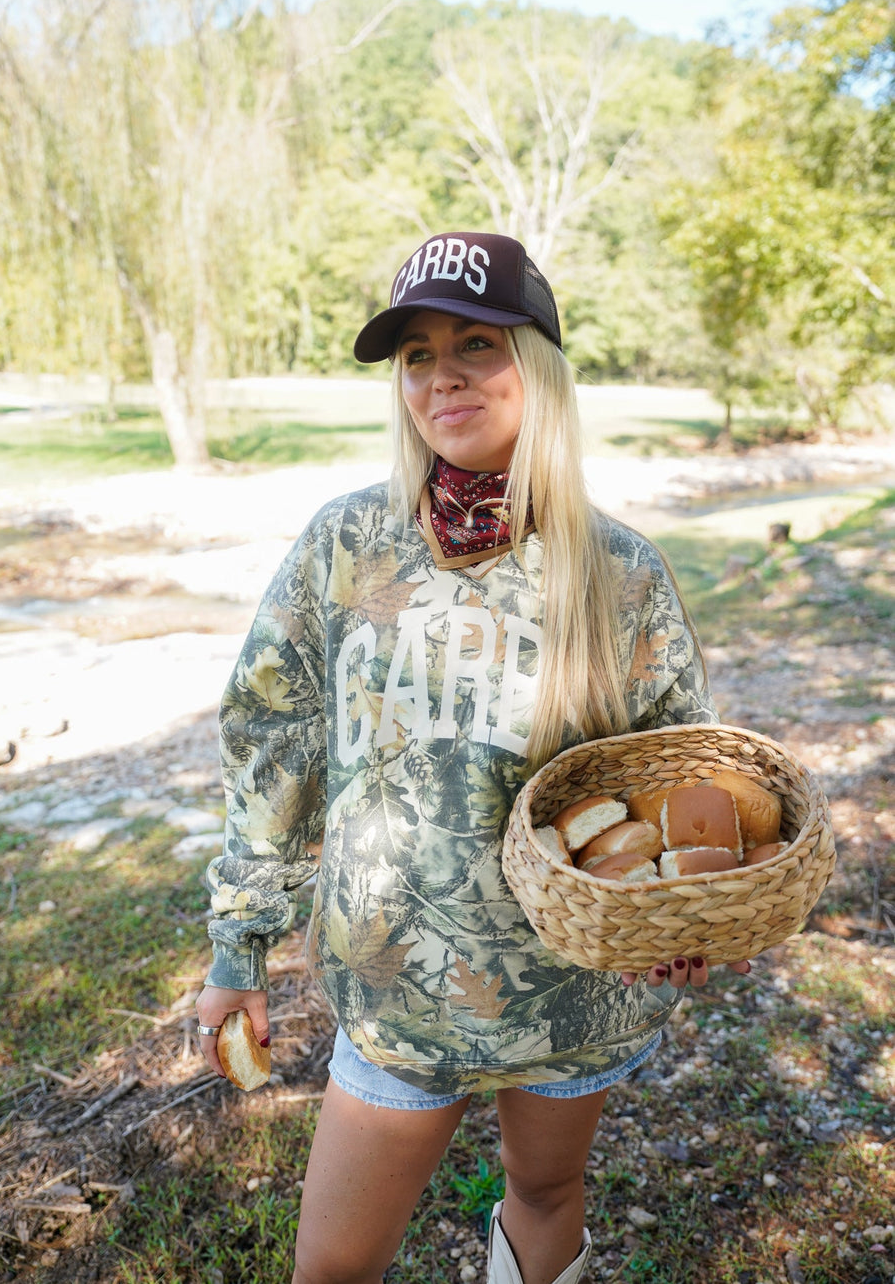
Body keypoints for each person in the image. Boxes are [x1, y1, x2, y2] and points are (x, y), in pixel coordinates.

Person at [195, 231, 749, 1284]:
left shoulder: (620, 570)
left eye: (475, 342)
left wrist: (683, 915)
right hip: (397, 987)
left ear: (536, 362)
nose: (441, 373)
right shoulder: (346, 545)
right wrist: (239, 945)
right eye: (415, 352)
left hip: (572, 989)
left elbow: (679, 784)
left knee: (544, 1193)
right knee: (333, 1268)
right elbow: (272, 734)